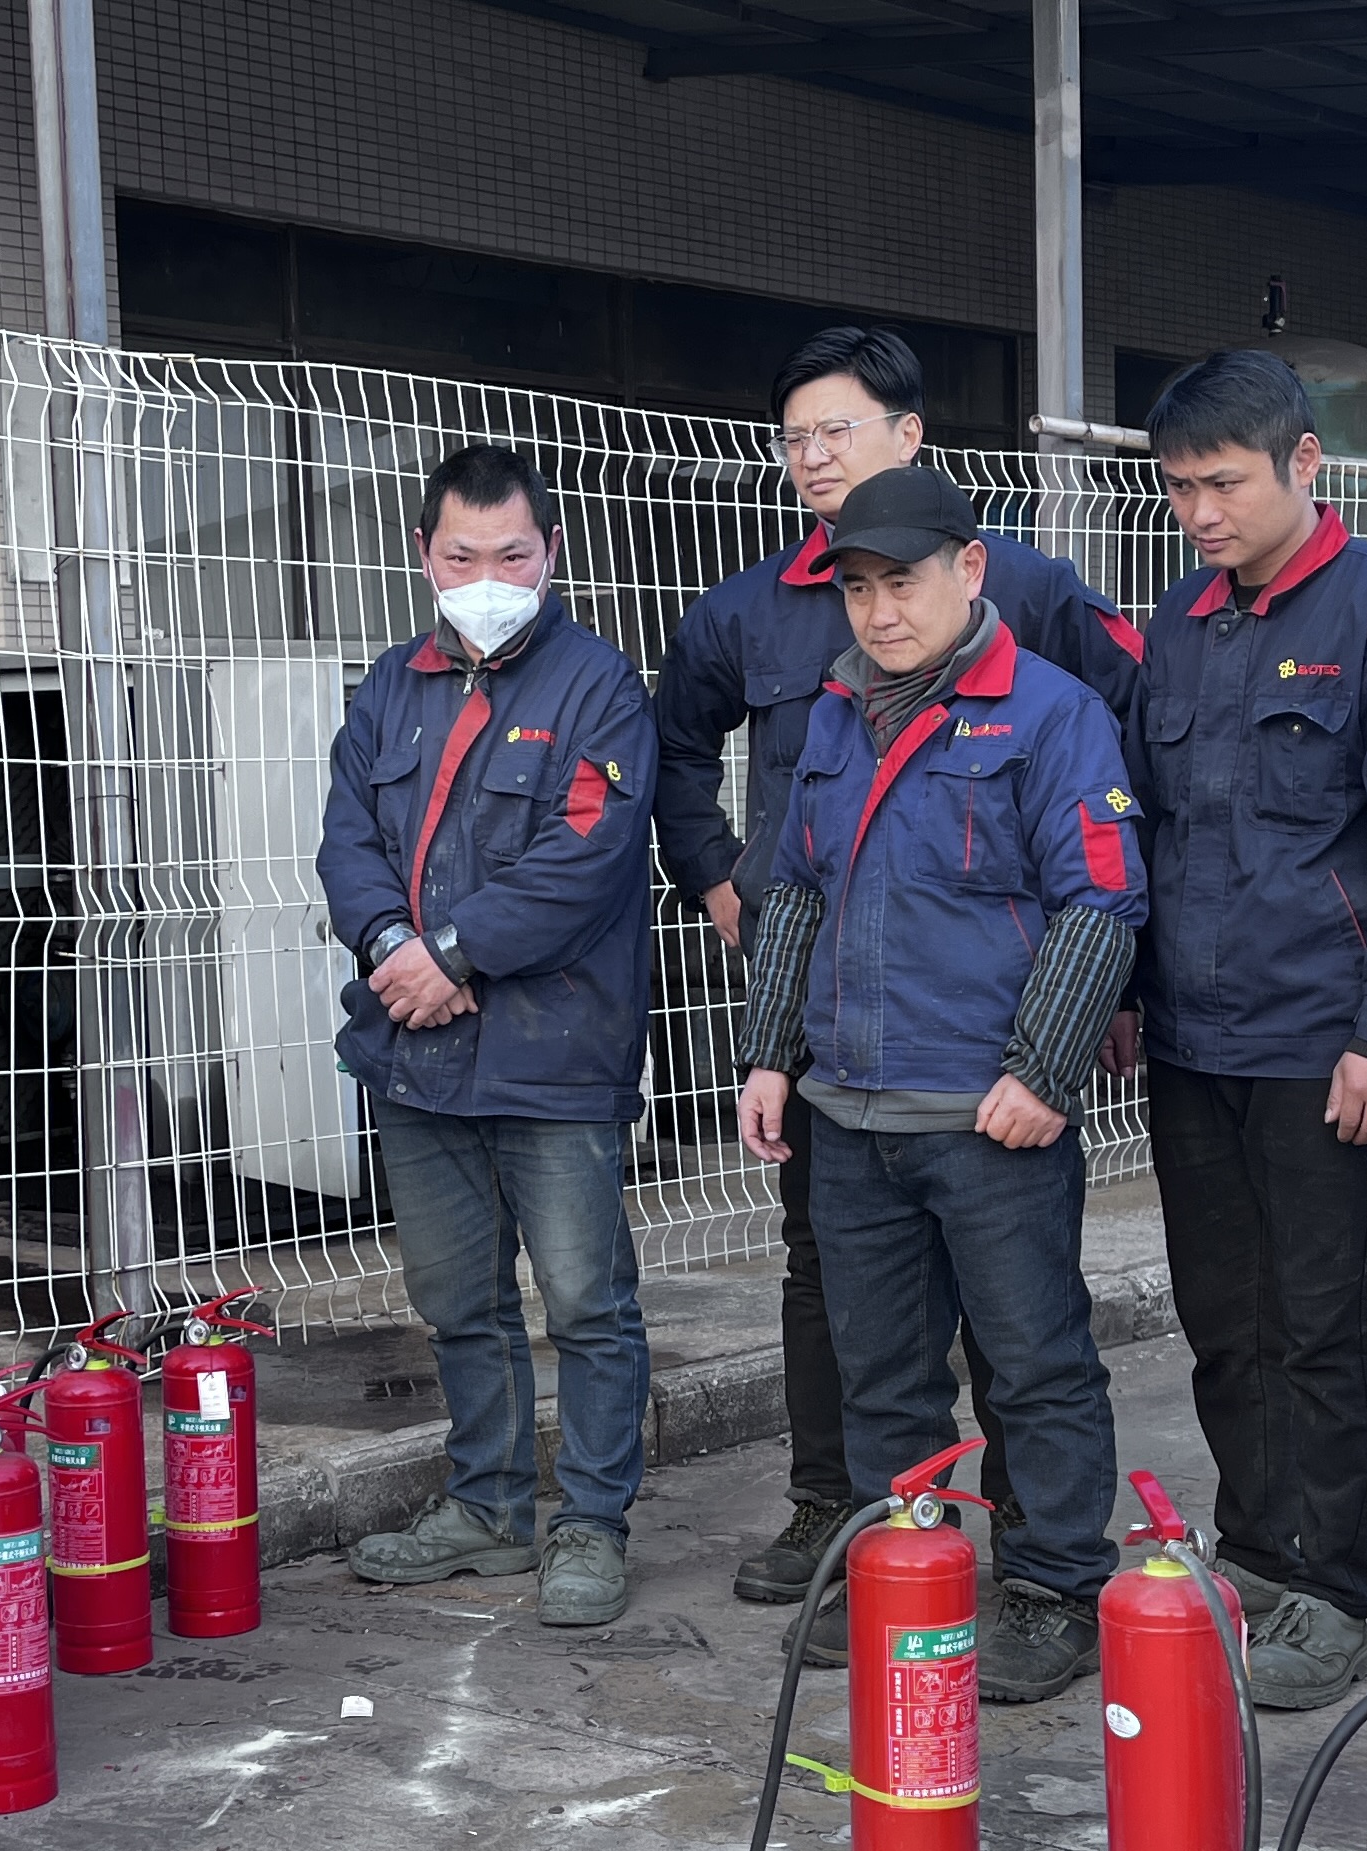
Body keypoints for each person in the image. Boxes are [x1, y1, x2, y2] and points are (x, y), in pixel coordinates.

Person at [652, 327, 1144, 1611]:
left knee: (1033, 1364)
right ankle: (902, 1589)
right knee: (882, 1379)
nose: (881, 611)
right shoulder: (833, 712)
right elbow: (797, 893)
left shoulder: (1051, 712)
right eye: (859, 589)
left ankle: (1050, 1591)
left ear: (969, 570)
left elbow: (1101, 903)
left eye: (905, 583)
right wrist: (769, 1057)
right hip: (851, 1115)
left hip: (988, 1117)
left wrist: (1044, 1073)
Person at [1112, 351, 1367, 1709]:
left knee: (1325, 1323)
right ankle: (1261, 1554)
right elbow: (1148, 822)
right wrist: (1128, 991)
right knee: (1224, 1317)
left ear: (1305, 464)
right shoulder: (1181, 621)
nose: (1200, 513)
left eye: (1223, 483)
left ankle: (1332, 1587)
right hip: (1195, 1038)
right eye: (1178, 489)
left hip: (1331, 1043)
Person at [321, 445, 656, 1629]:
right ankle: (489, 1507)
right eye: (462, 557)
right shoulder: (391, 685)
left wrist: (448, 957)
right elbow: (348, 841)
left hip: (554, 1054)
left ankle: (592, 1524)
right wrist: (390, 948)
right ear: (425, 556)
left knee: (586, 1305)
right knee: (459, 1299)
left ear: (550, 553)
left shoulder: (599, 687)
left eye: (512, 556)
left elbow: (585, 859)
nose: (488, 579)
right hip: (417, 1056)